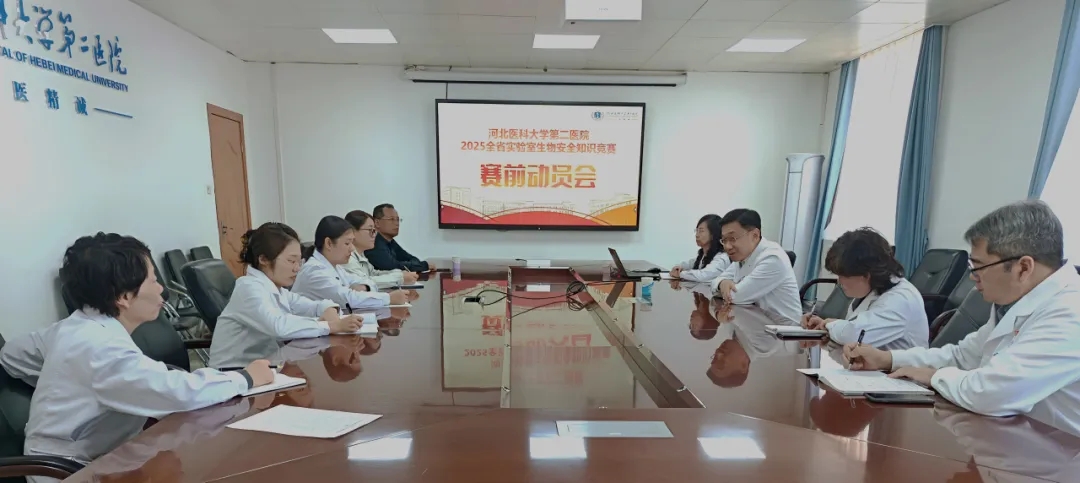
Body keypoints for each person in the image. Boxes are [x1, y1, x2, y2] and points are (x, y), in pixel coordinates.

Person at [0, 233, 273, 479]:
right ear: (124, 296)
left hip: (106, 455)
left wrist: (65, 381)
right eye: (153, 280)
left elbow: (11, 355)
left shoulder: (75, 326)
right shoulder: (100, 348)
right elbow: (177, 393)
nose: (161, 289)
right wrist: (245, 378)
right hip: (69, 471)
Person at [844, 200, 1080, 435]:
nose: (971, 277)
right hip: (1016, 436)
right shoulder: (1015, 303)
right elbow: (962, 357)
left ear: (1024, 268)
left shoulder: (1070, 313)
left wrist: (934, 377)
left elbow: (993, 393)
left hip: (1060, 450)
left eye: (978, 266)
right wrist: (886, 359)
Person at [209, 222, 364, 369]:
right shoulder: (248, 288)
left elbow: (310, 305)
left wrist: (329, 308)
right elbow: (278, 326)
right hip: (233, 374)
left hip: (266, 365)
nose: (297, 268)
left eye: (299, 261)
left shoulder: (277, 289)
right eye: (291, 261)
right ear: (263, 259)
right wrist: (331, 326)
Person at [803, 227, 928, 350]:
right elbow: (852, 339)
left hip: (898, 364)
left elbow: (856, 335)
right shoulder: (871, 289)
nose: (839, 281)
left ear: (866, 275)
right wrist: (823, 333)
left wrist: (828, 326)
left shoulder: (900, 300)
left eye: (843, 275)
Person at [293, 215, 407, 312]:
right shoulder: (314, 271)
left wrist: (364, 287)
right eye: (347, 243)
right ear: (328, 243)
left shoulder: (336, 267)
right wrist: (389, 298)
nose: (352, 248)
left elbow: (367, 281)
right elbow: (348, 299)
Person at [710, 209, 802, 324]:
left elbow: (736, 297)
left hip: (782, 329)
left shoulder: (773, 258)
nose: (727, 246)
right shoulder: (743, 256)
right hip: (756, 321)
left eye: (732, 238)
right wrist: (722, 283)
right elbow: (714, 282)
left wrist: (723, 288)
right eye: (724, 240)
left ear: (755, 235)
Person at [343, 210, 420, 287]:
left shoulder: (360, 254)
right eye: (370, 230)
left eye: (375, 231)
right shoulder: (347, 257)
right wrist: (400, 278)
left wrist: (400, 273)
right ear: (352, 232)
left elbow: (373, 273)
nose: (374, 235)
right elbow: (363, 283)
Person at [365, 203, 434, 272]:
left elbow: (411, 259)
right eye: (391, 219)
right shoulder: (373, 242)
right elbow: (392, 267)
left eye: (398, 219)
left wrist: (418, 265)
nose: (396, 223)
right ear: (377, 223)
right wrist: (423, 266)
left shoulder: (390, 242)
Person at [670, 214, 732, 283]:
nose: (696, 235)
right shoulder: (703, 255)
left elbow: (704, 275)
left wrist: (680, 274)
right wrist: (677, 267)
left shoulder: (721, 258)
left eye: (701, 231)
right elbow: (686, 264)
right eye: (696, 231)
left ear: (713, 234)